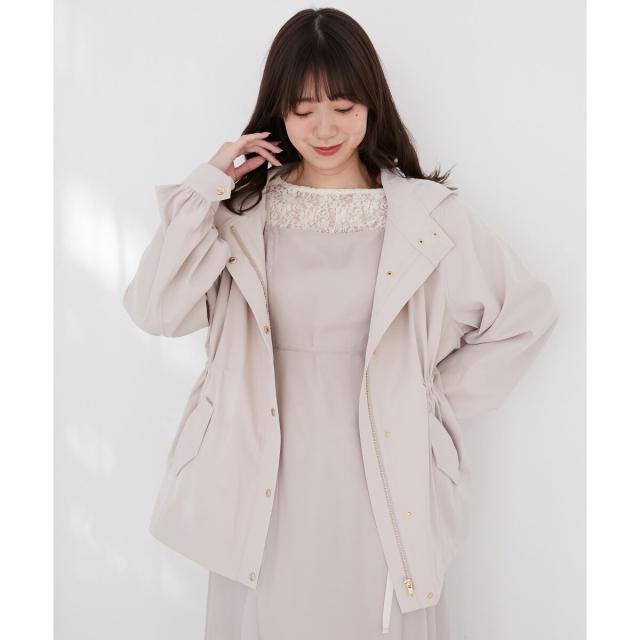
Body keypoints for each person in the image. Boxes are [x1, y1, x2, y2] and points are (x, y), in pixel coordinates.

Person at [122, 8, 559, 640]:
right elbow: (155, 309)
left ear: (372, 103)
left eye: (344, 106)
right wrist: (208, 184)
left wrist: (425, 399)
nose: (324, 128)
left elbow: (525, 317)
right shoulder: (239, 216)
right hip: (260, 483)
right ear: (278, 110)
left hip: (384, 479)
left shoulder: (426, 217)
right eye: (303, 110)